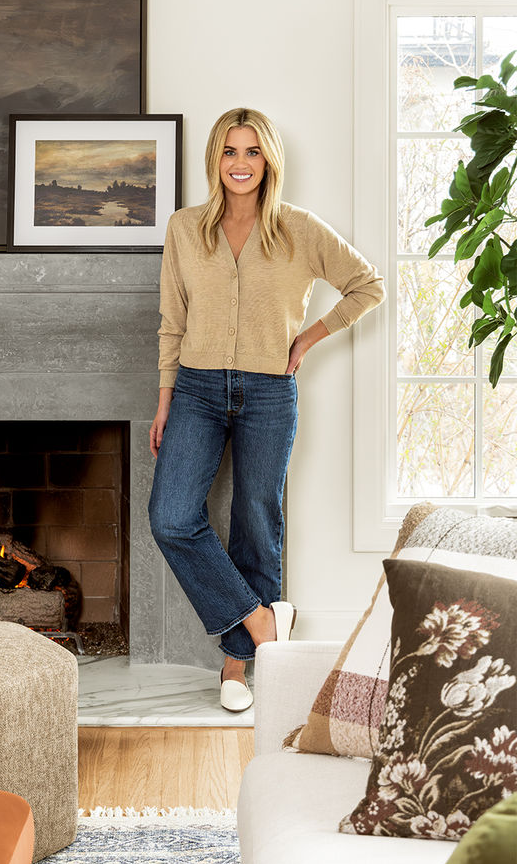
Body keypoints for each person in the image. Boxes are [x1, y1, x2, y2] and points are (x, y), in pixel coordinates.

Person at [147, 107, 386, 711]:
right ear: (215, 160)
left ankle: (237, 668)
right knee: (171, 517)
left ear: (269, 160)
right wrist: (165, 397)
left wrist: (307, 338)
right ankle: (261, 622)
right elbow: (171, 322)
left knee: (257, 521)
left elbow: (367, 285)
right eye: (230, 151)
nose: (241, 163)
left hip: (268, 394)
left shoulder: (299, 230)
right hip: (197, 388)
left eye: (253, 152)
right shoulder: (184, 228)